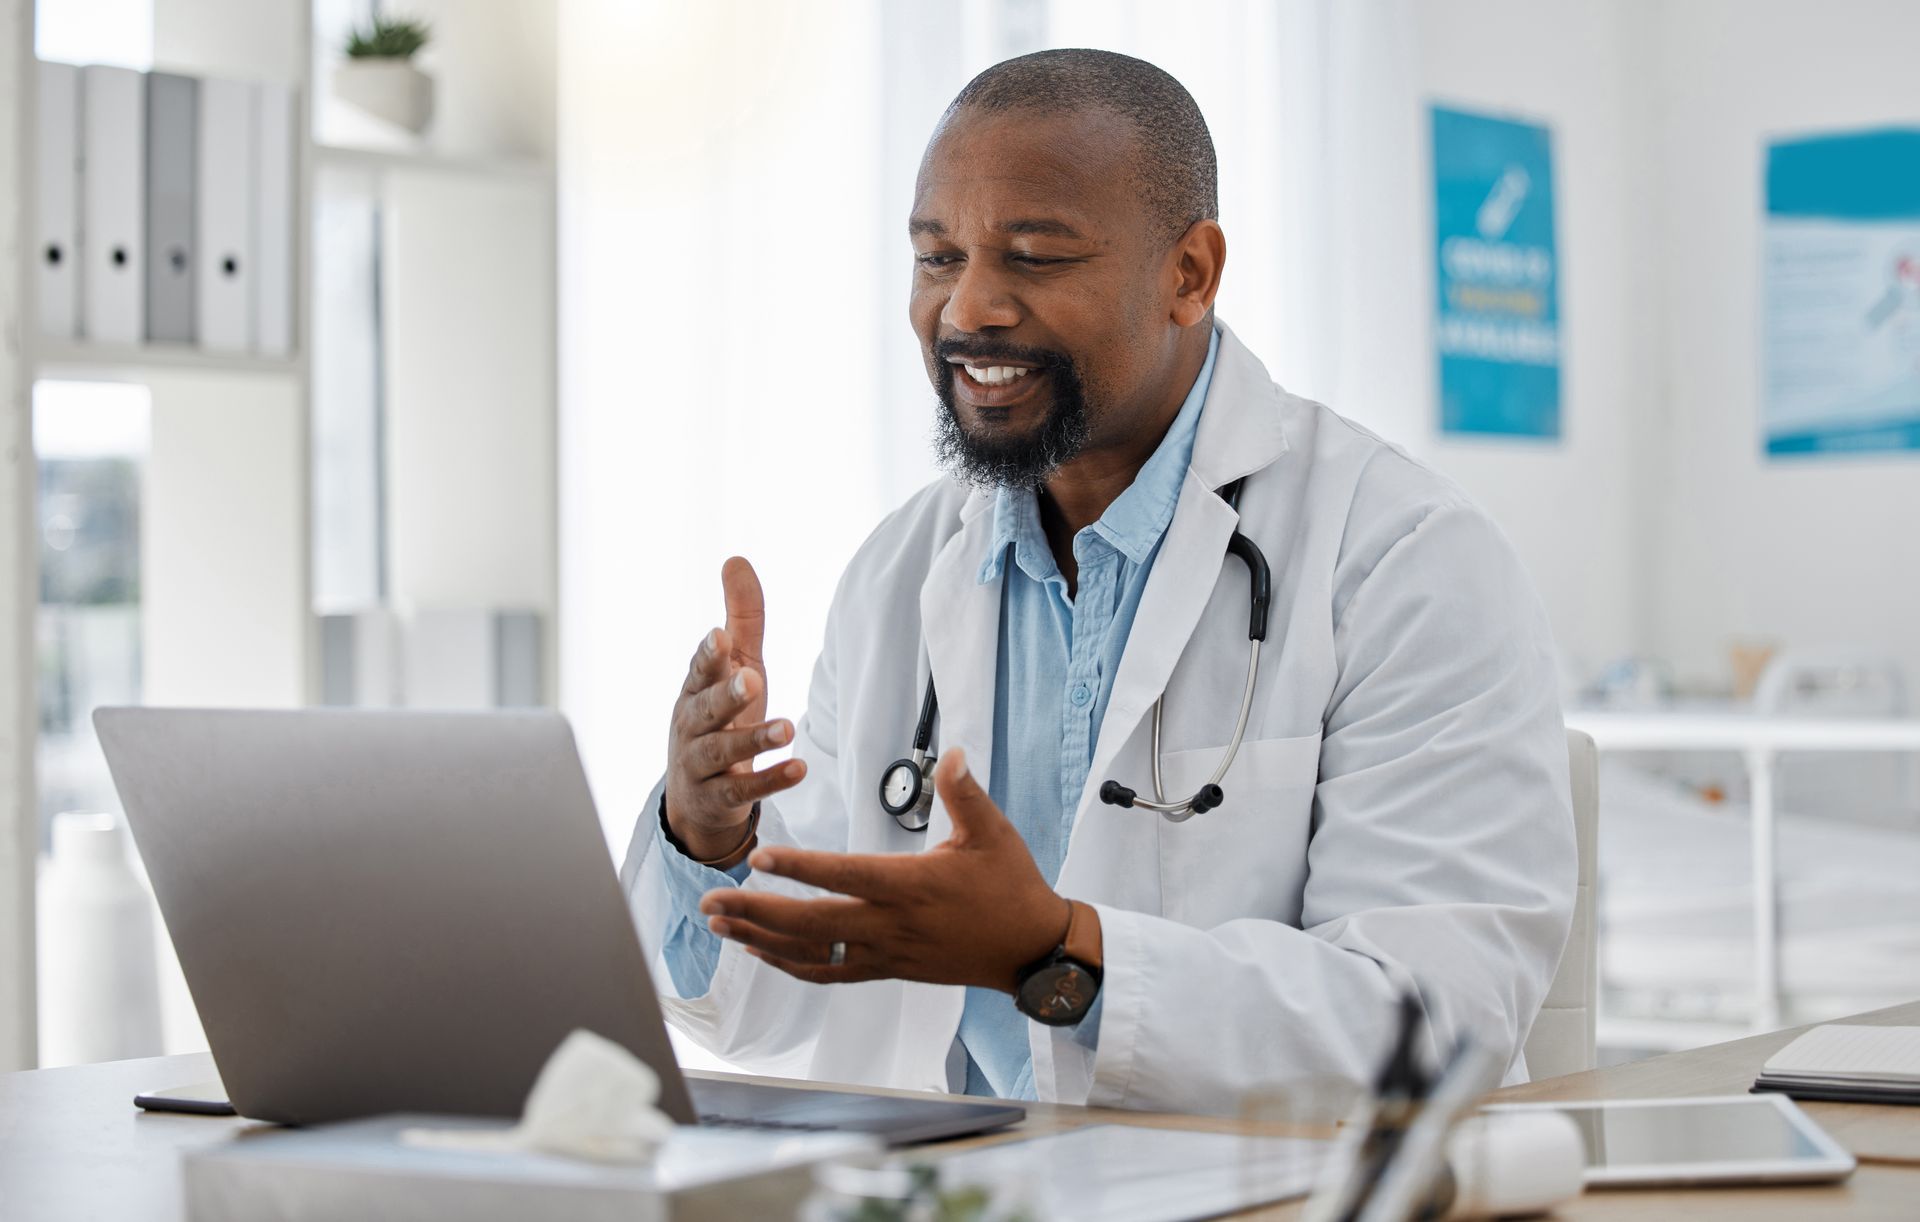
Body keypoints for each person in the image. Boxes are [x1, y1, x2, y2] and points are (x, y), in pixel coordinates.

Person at [620, 48, 1575, 1114]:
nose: (969, 307)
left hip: (1268, 1183)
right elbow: (774, 1005)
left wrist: (1055, 955)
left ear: (1189, 275)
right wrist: (710, 835)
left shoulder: (1404, 558)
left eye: (1033, 257)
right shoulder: (901, 572)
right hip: (959, 1177)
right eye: (937, 257)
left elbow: (1431, 1022)